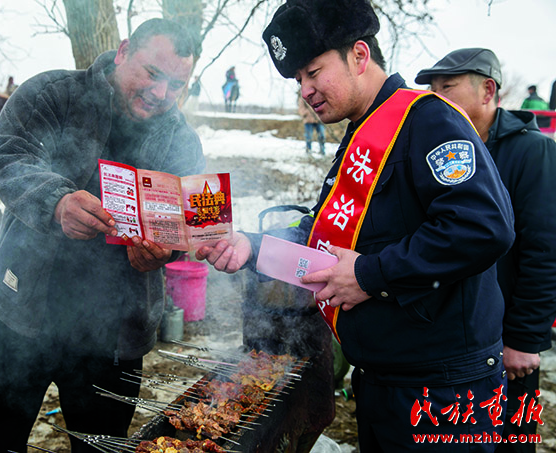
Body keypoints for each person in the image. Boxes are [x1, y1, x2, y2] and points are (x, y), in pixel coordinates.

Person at [196, 0, 515, 451]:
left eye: (312, 72)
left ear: (360, 56)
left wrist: (370, 273)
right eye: (297, 81)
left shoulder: (428, 121)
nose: (305, 91)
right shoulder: (360, 131)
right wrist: (252, 247)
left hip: (442, 389)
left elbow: (484, 227)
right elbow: (328, 235)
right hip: (386, 381)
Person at [0, 18, 204, 453]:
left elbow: (184, 221)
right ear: (124, 50)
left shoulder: (181, 141)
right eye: (153, 73)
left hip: (113, 334)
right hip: (20, 309)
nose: (161, 93)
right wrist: (55, 202)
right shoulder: (52, 94)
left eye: (176, 84)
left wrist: (162, 252)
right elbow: (9, 155)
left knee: (101, 447)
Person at [416, 47, 556, 453]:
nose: (435, 97)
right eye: (430, 88)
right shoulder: (442, 152)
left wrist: (525, 339)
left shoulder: (533, 152)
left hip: (508, 343)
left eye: (448, 87)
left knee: (512, 442)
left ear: (487, 90)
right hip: (460, 344)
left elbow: (544, 251)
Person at [297, 91, 325, 155]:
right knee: (308, 137)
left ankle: (322, 152)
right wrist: (305, 113)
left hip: (319, 120)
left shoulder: (318, 94)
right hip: (308, 120)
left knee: (322, 136)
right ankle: (308, 152)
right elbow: (301, 108)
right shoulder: (303, 97)